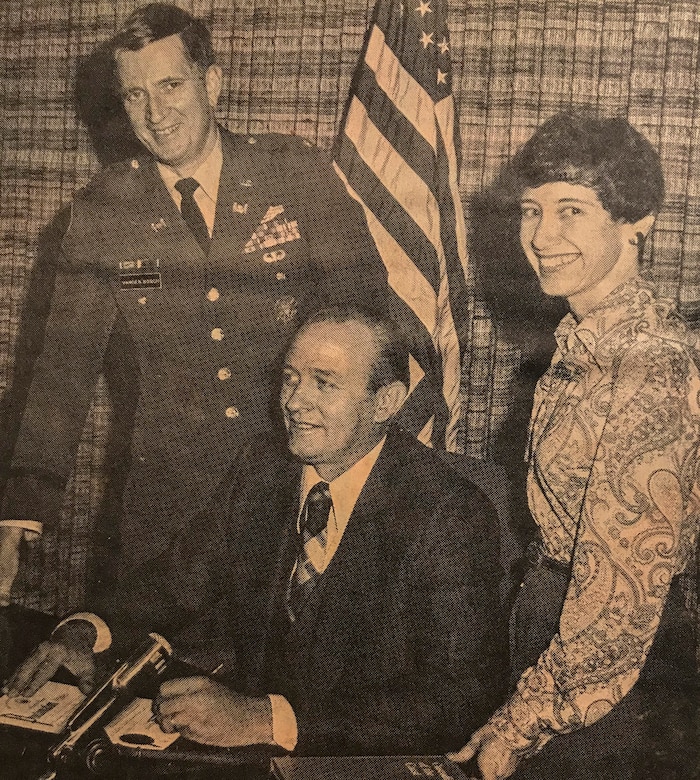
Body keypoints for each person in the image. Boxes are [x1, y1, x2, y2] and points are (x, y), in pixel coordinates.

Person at [0, 4, 389, 609]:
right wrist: (19, 518)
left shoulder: (293, 173)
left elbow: (364, 310)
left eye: (170, 85)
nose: (155, 113)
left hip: (294, 477)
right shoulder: (101, 213)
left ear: (212, 82)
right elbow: (60, 374)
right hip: (167, 504)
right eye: (134, 95)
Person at [5, 306, 507, 756]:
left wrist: (267, 719)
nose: (294, 400)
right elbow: (178, 581)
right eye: (290, 378)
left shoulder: (448, 512)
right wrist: (86, 630)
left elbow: (459, 697)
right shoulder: (264, 469)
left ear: (386, 402)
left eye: (324, 383)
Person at [449, 113, 700, 779]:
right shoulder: (583, 338)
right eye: (532, 211)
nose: (542, 235)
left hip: (614, 675)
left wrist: (525, 720)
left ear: (634, 222)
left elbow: (621, 597)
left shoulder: (652, 363)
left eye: (571, 211)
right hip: (560, 635)